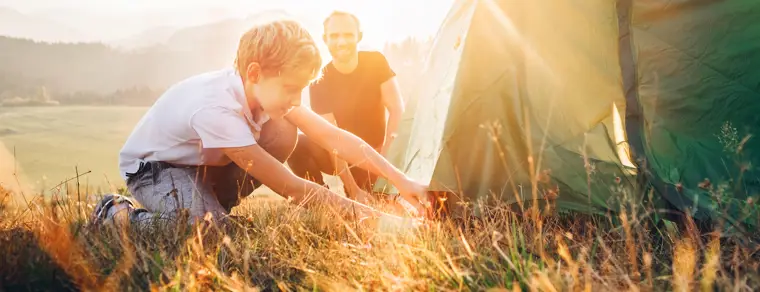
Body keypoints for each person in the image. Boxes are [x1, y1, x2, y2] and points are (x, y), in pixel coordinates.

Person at [89, 18, 427, 227]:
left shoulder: (263, 92)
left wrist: (402, 181)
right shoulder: (217, 110)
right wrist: (381, 221)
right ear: (255, 73)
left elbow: (334, 137)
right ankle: (117, 216)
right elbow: (291, 187)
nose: (297, 99)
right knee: (204, 233)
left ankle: (211, 208)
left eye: (303, 90)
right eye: (292, 89)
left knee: (282, 130)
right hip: (155, 170)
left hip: (200, 166)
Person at [287, 11, 405, 203]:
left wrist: (385, 161)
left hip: (377, 153)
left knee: (379, 202)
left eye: (348, 35)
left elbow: (397, 109)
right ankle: (320, 200)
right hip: (342, 155)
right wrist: (352, 188)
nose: (341, 42)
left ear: (359, 36)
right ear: (325, 39)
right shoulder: (320, 79)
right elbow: (330, 139)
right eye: (334, 36)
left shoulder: (376, 62)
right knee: (297, 143)